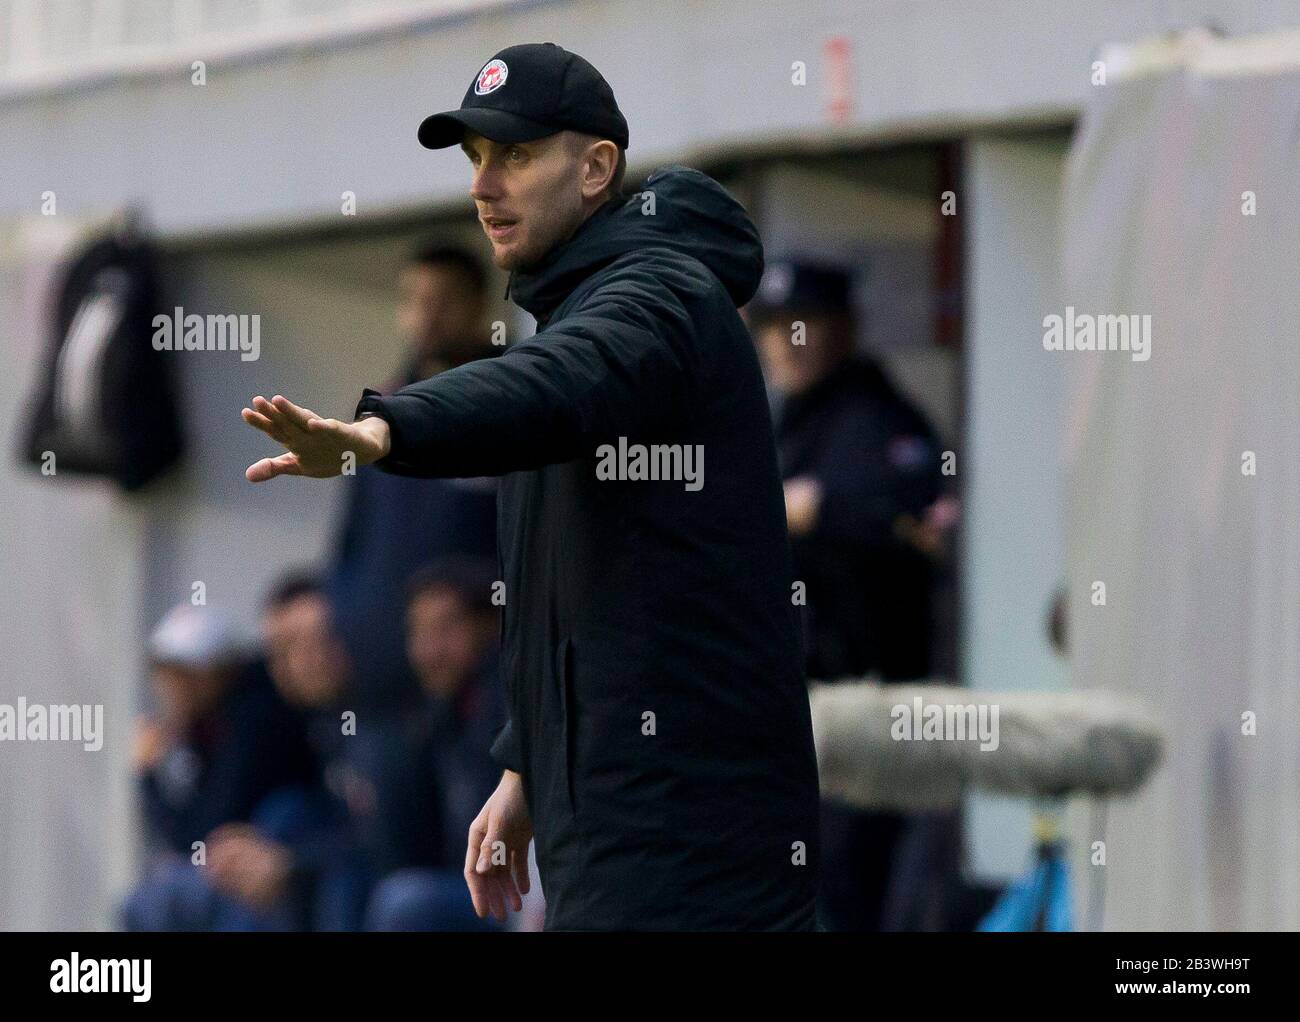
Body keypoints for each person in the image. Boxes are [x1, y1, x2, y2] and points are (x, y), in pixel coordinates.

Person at [240, 42, 820, 931]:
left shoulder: (661, 294)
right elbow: (562, 590)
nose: (483, 185)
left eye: (514, 154)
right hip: (611, 811)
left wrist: (384, 430)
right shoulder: (580, 309)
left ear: (596, 169)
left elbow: (552, 383)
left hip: (692, 826)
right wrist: (523, 767)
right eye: (475, 158)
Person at [750, 259, 947, 932]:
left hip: (868, 705)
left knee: (851, 896)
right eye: (772, 328)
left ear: (844, 329)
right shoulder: (782, 424)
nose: (784, 343)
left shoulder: (877, 418)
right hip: (792, 715)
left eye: (800, 326)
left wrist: (816, 508)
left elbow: (912, 517)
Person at [324, 245, 499, 712]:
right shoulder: (376, 410)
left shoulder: (511, 405)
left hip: (481, 687)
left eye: (445, 299)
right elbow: (351, 539)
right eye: (415, 300)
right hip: (383, 685)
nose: (428, 315)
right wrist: (342, 621)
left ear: (480, 304)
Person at [123, 602, 318, 931]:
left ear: (207, 675)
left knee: (158, 900)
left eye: (178, 679)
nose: (169, 693)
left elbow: (199, 838)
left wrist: (148, 777)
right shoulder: (210, 726)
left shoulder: (251, 720)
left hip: (284, 858)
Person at [364, 557, 507, 931]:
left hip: (515, 896)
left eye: (446, 629)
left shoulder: (504, 704)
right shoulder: (438, 716)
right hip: (463, 883)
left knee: (404, 903)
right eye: (419, 632)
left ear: (489, 625)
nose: (430, 652)